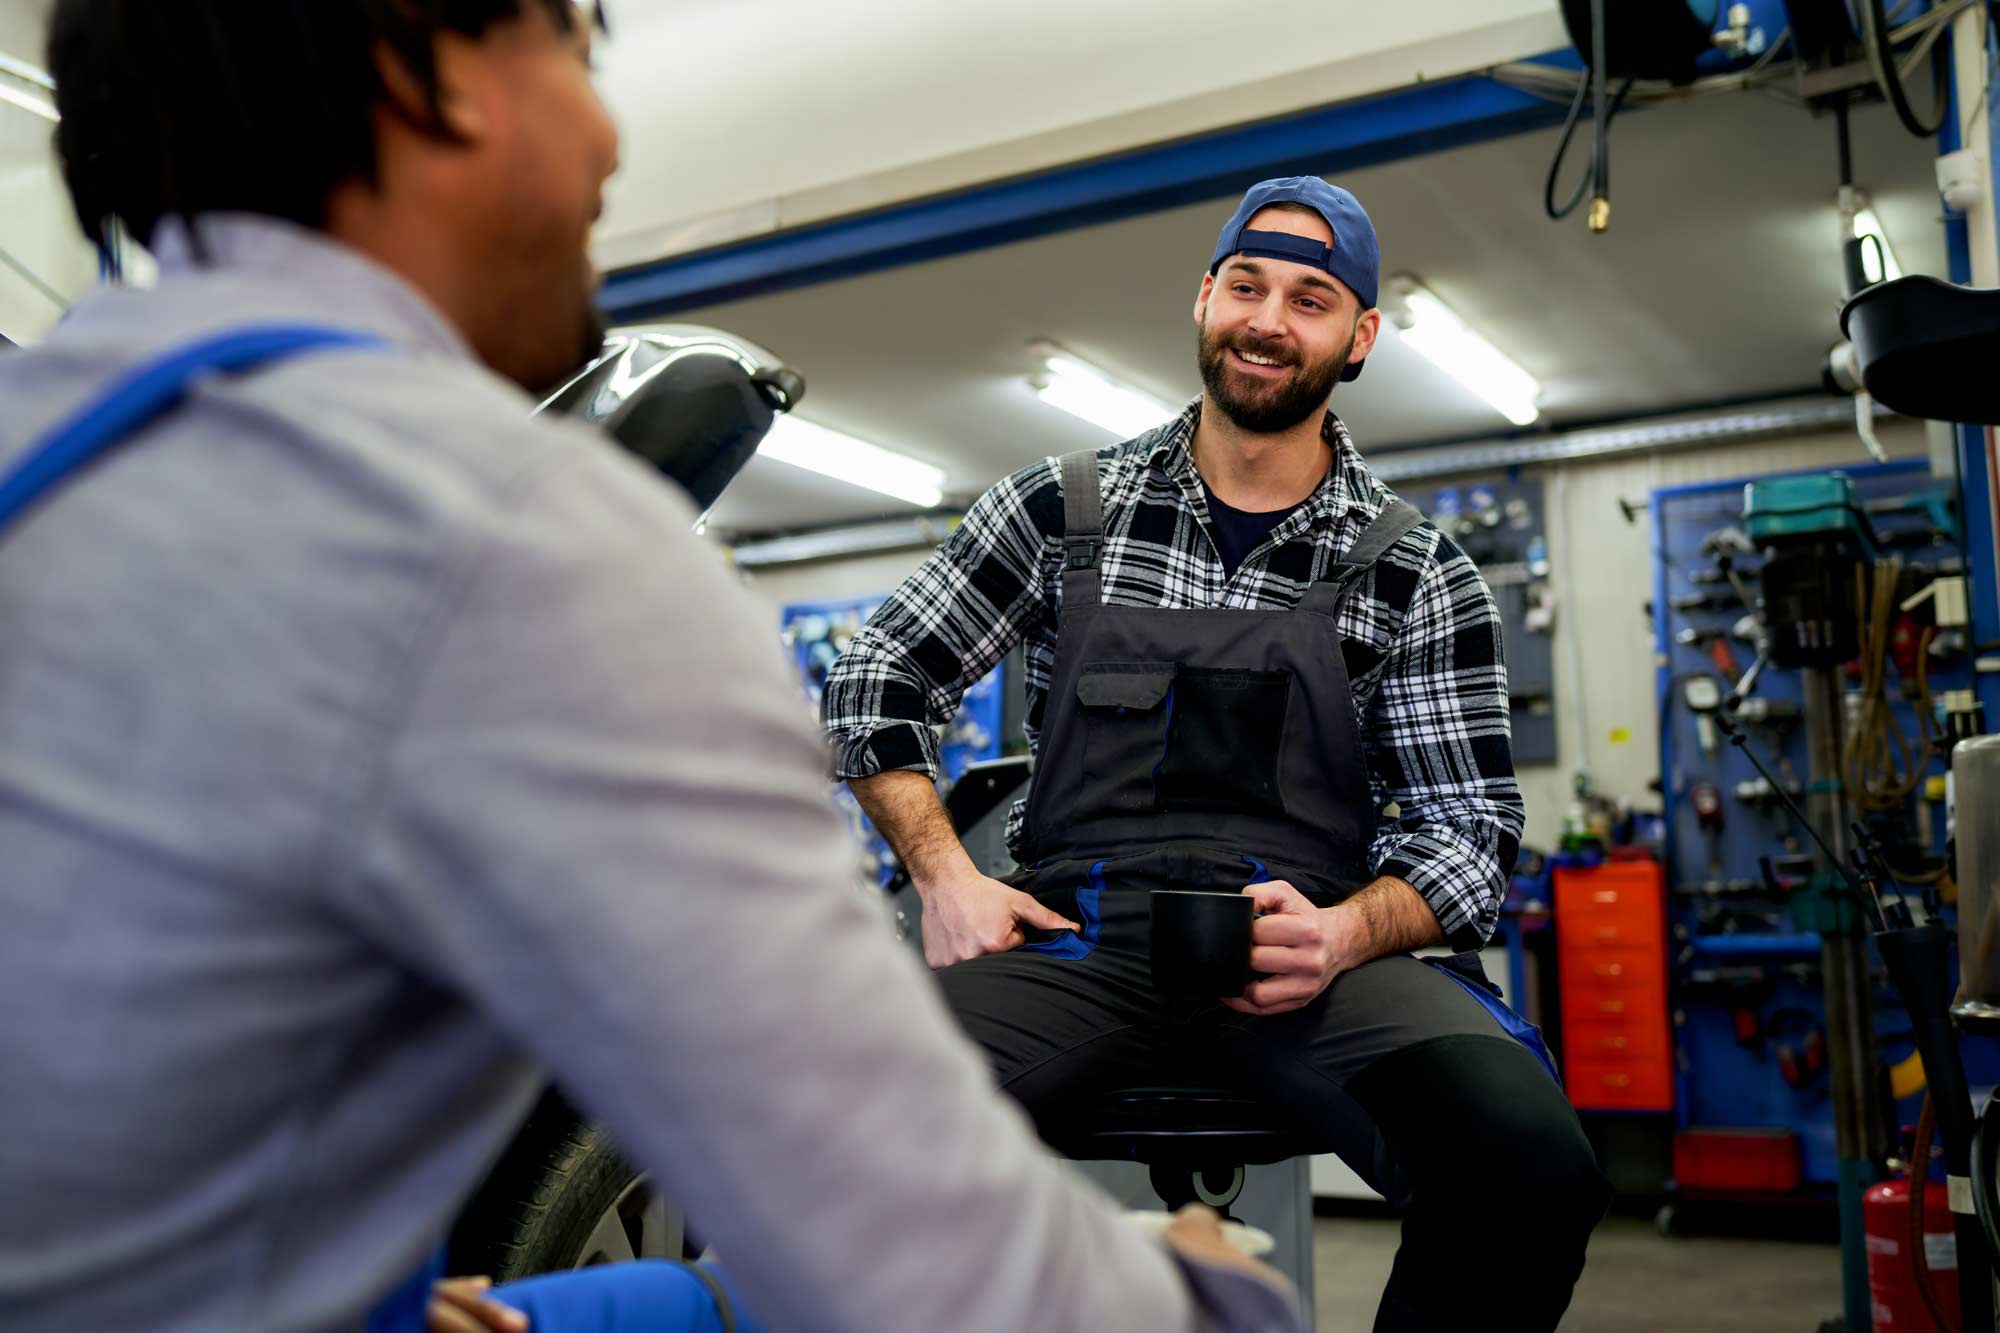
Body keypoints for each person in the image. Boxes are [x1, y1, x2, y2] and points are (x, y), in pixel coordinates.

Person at [0, 4, 1302, 1331]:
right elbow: (925, 1267)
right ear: (426, 70)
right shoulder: (509, 541)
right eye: (577, 48)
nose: (611, 138)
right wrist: (1208, 1293)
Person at [825, 176, 1614, 1331]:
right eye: (1244, 285)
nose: (1266, 319)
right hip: (1079, 941)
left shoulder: (1417, 568)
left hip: (1314, 953)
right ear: (1203, 300)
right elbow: (873, 681)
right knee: (819, 1118)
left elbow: (1471, 836)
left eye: (1308, 298)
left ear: (1358, 337)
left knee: (1526, 1166)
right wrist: (945, 874)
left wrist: (1345, 929)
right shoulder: (1060, 513)